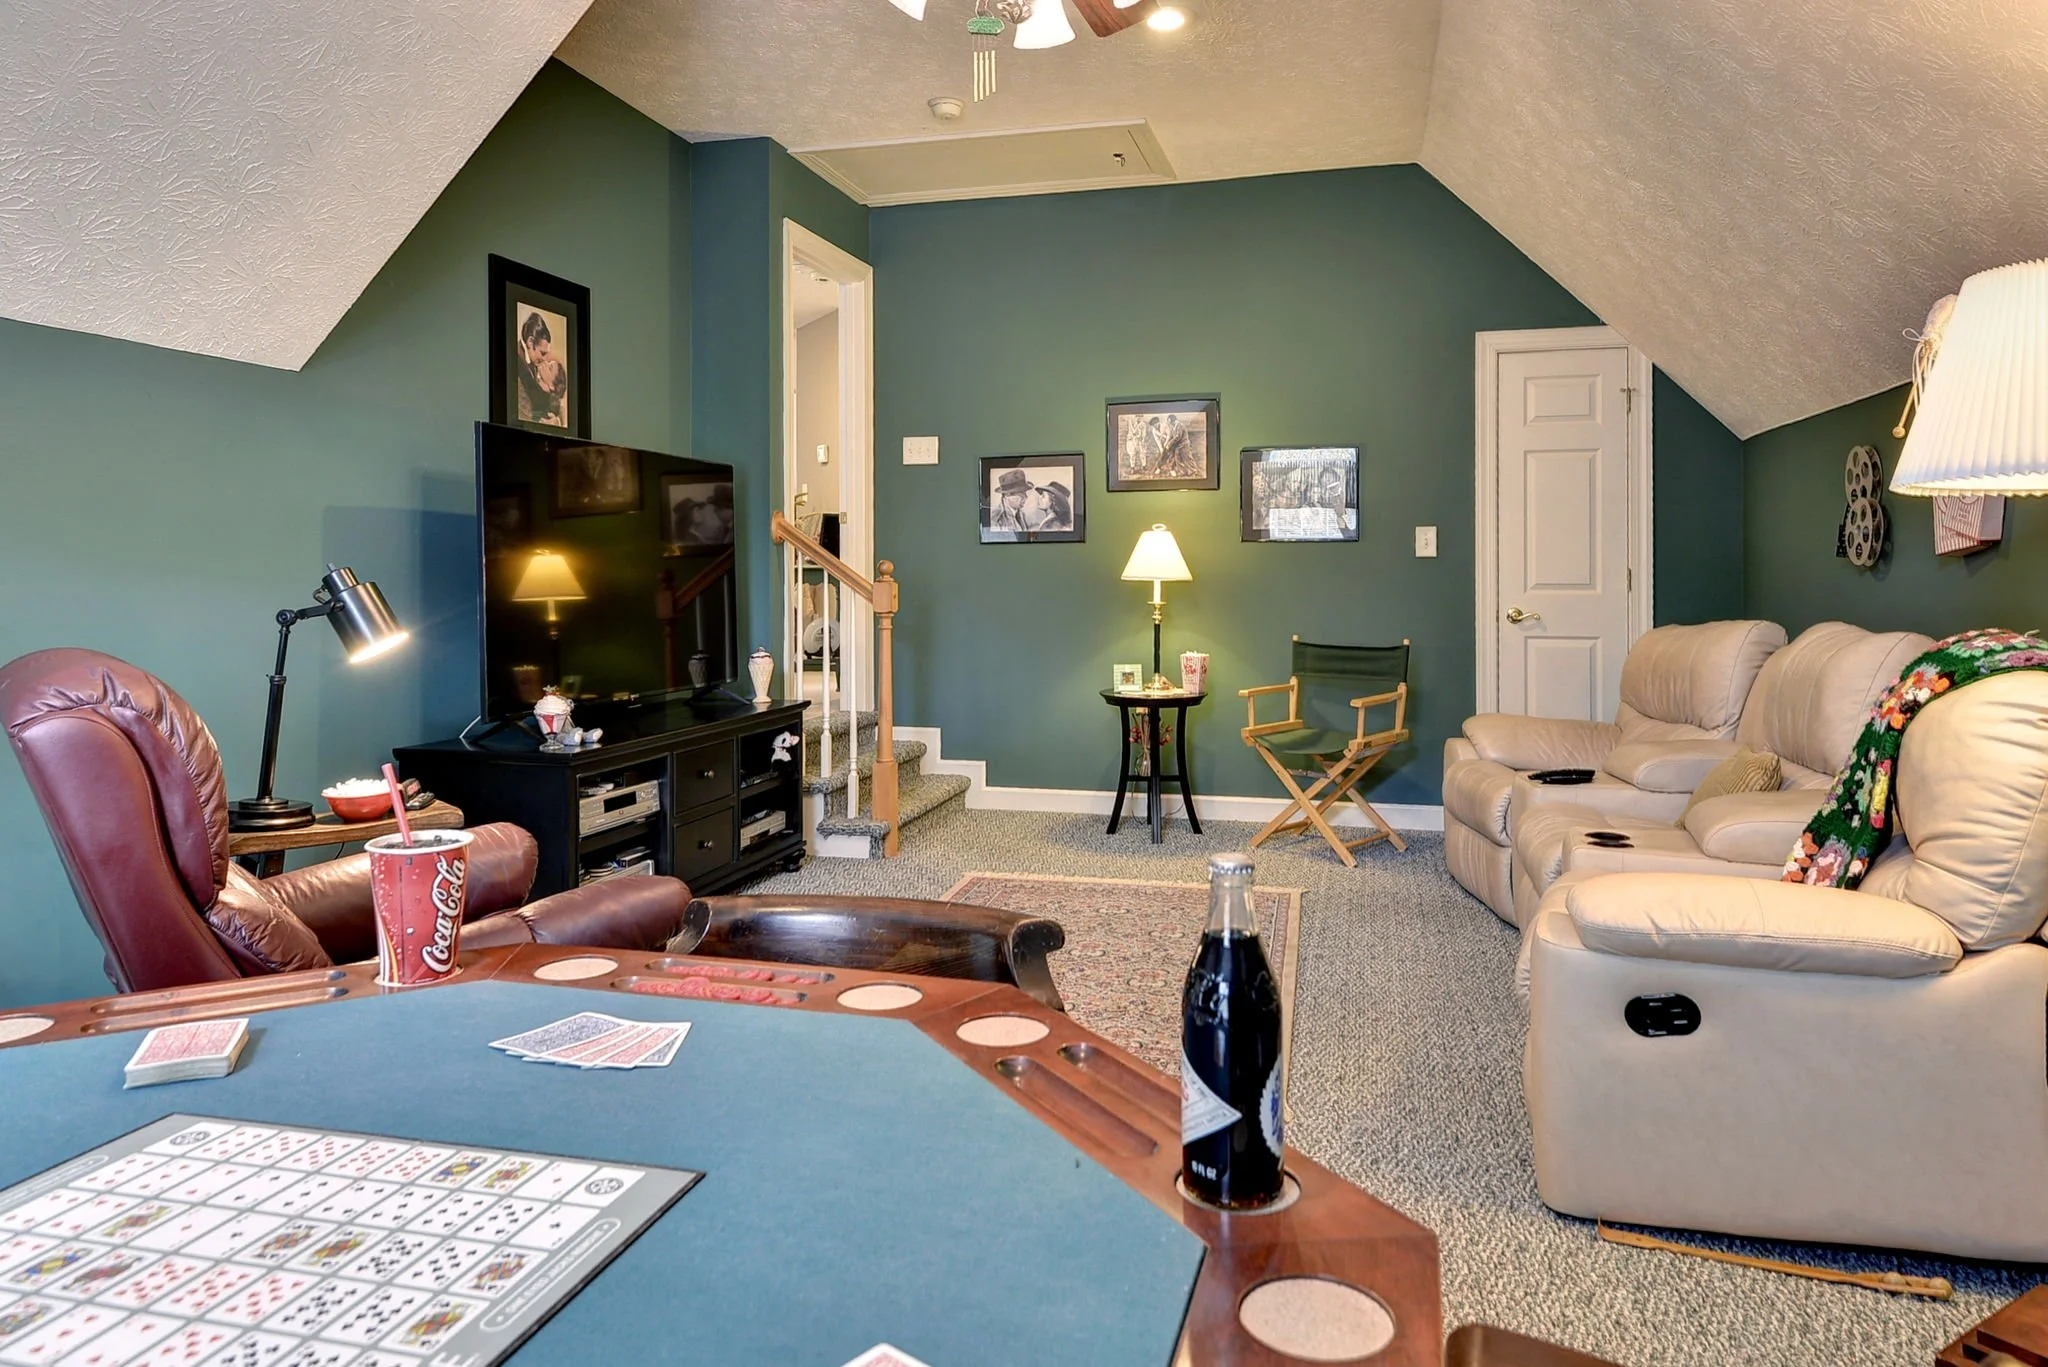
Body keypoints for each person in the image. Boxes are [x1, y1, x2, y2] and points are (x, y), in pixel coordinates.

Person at [517, 309, 569, 428]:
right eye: (542, 353)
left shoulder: (533, 365)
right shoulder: (517, 364)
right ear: (530, 342)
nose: (544, 360)